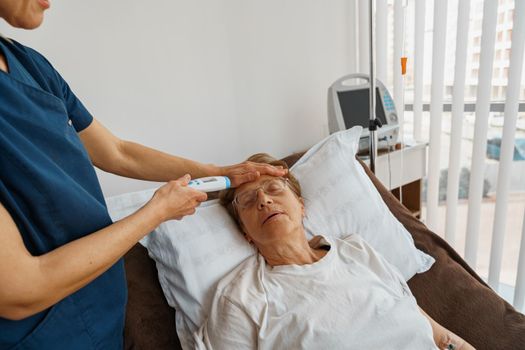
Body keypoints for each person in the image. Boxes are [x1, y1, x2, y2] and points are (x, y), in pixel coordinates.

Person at [0, 1, 287, 348]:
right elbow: (21, 290)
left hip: (105, 317)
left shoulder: (30, 65)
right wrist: (156, 213)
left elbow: (117, 152)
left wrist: (219, 172)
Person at [196, 153, 476, 350]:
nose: (264, 200)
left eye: (273, 188)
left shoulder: (356, 250)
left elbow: (437, 335)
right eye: (248, 199)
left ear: (301, 204)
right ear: (245, 232)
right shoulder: (241, 297)